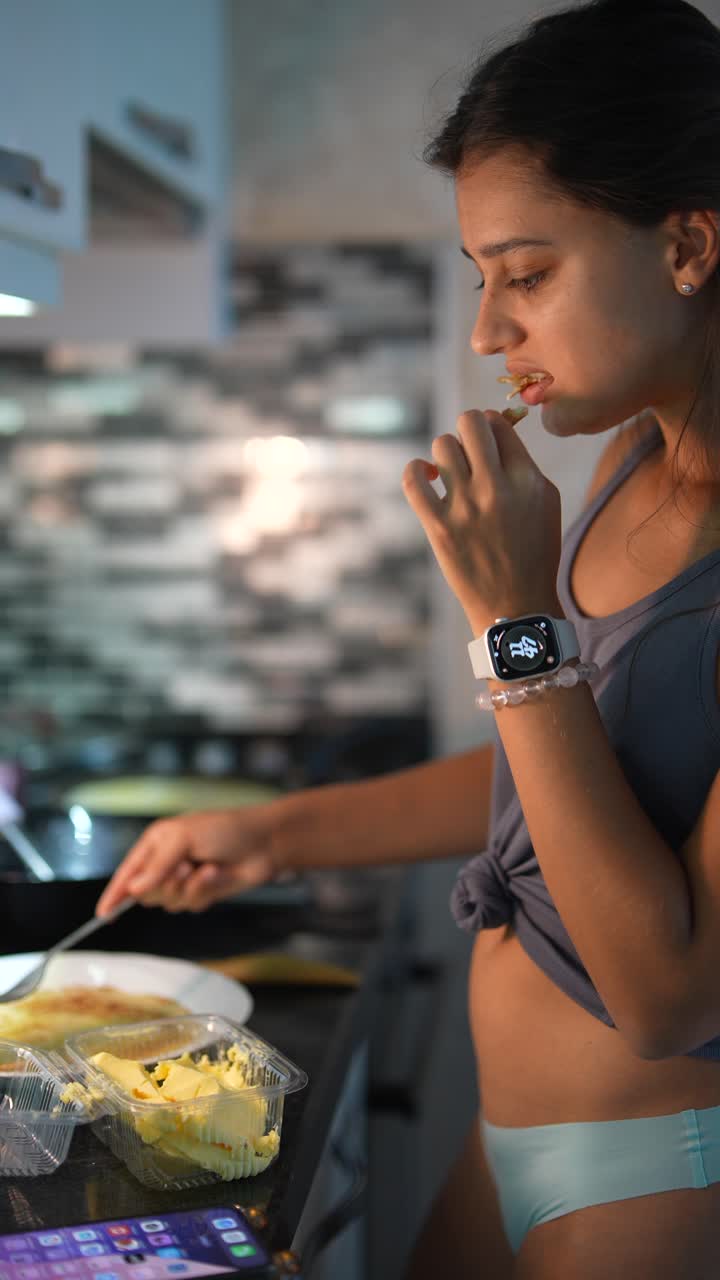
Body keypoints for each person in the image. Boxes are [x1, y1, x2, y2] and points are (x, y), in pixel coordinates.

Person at [97, 0, 720, 1272]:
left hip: (660, 1180)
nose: (492, 332)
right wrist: (273, 830)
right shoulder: (622, 461)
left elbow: (671, 994)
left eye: (529, 274)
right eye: (481, 278)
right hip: (503, 1146)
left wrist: (514, 621)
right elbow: (549, 789)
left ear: (690, 244)